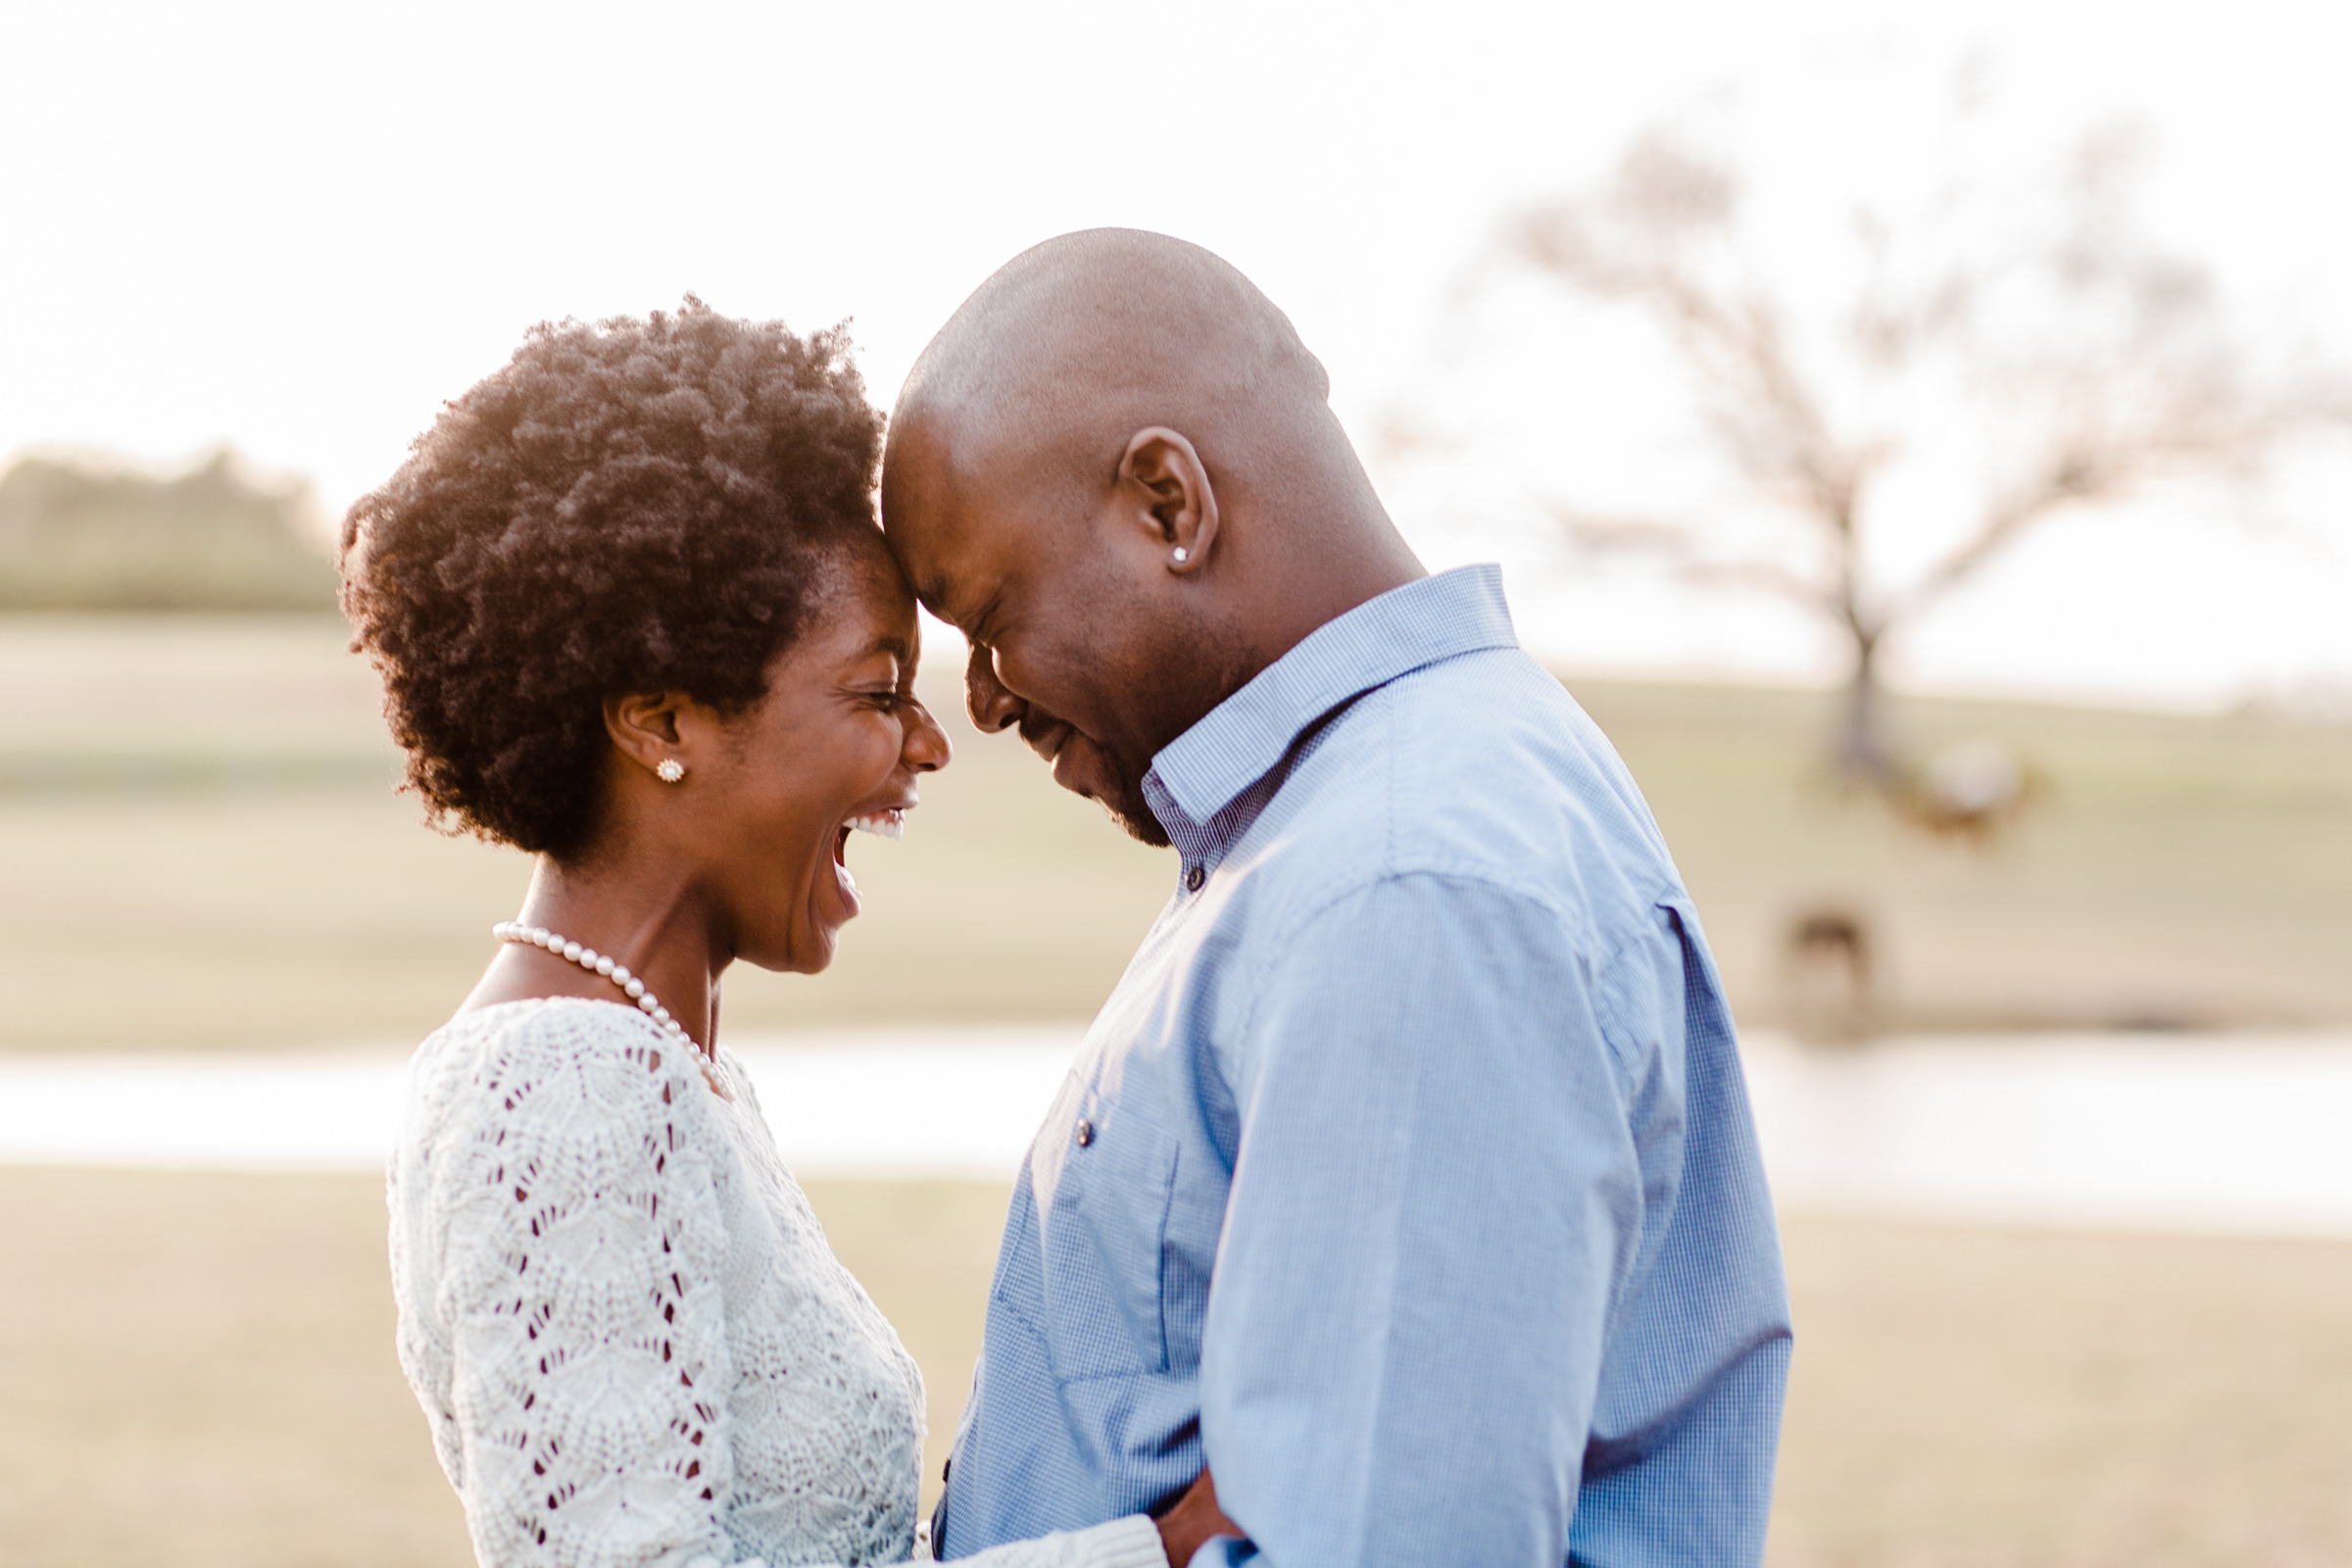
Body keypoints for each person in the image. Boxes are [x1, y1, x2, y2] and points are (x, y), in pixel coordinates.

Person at [882, 231, 1793, 1567]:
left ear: (1166, 506)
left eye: (989, 612)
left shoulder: (1403, 884)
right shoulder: (1337, 827)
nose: (983, 697)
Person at [346, 301, 1223, 1568]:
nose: (929, 744)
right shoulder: (566, 1088)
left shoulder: (657, 1070)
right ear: (659, 723)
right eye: (877, 693)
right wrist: (1165, 1551)